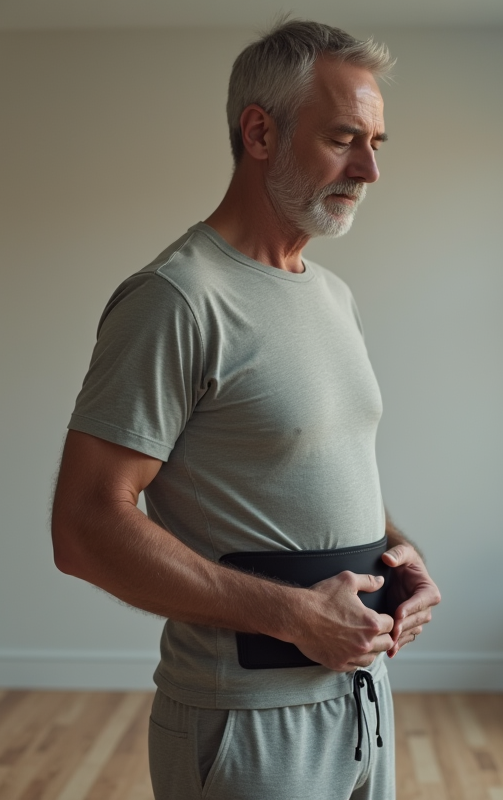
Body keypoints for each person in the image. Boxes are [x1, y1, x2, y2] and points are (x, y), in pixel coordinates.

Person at [50, 18, 441, 800]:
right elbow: (86, 527)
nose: (368, 168)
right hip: (248, 722)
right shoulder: (177, 299)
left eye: (376, 142)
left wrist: (401, 555)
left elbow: (312, 466)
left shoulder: (331, 295)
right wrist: (294, 616)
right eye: (342, 139)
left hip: (361, 699)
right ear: (259, 132)